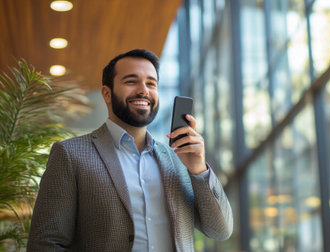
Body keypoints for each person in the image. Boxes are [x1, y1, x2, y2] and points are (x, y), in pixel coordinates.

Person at [27, 49, 233, 251]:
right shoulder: (71, 154)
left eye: (151, 83)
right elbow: (45, 243)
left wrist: (199, 170)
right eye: (131, 81)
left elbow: (220, 230)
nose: (144, 90)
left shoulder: (179, 159)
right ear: (107, 93)